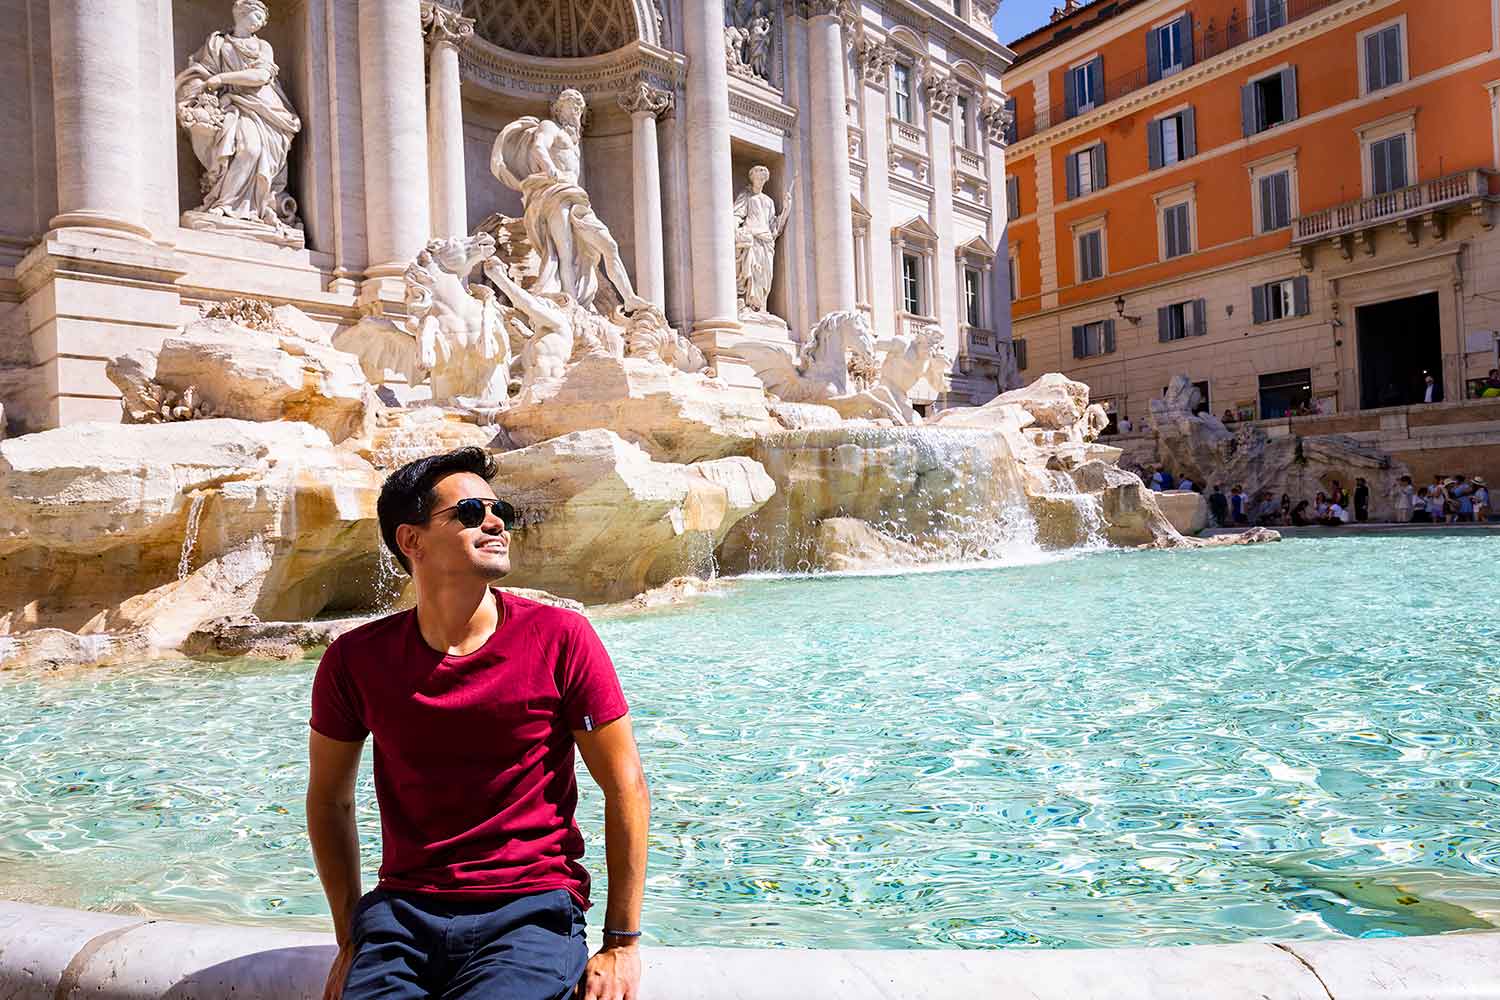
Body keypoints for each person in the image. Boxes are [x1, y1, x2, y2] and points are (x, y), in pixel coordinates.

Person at [306, 448, 649, 1000]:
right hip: (401, 918)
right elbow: (328, 800)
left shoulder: (562, 638)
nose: (495, 523)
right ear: (411, 541)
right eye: (469, 512)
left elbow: (625, 784)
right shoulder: (353, 660)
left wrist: (622, 942)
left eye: (500, 510)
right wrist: (350, 936)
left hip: (530, 913)